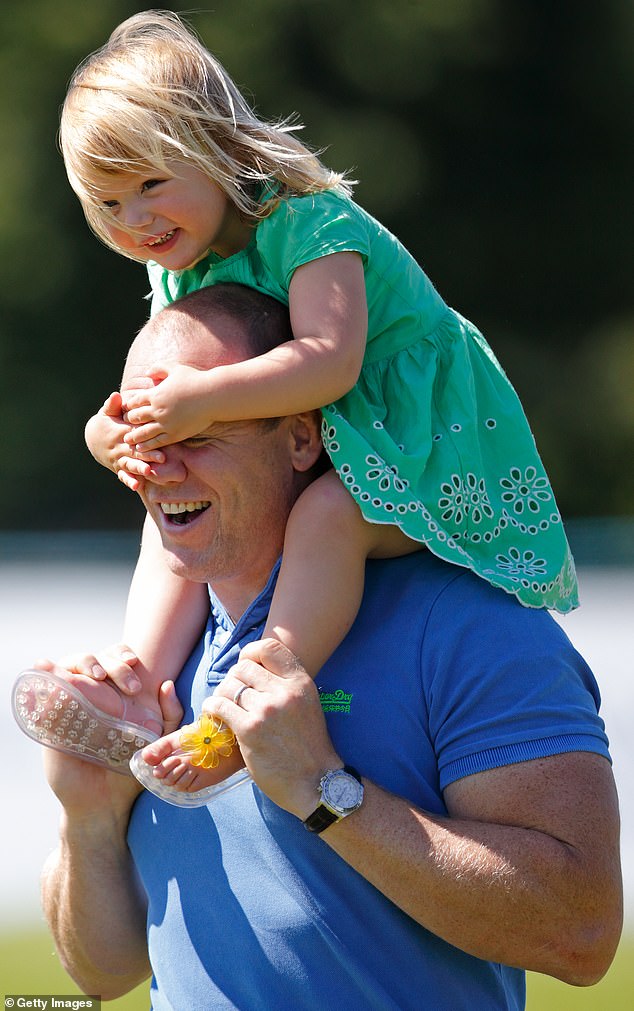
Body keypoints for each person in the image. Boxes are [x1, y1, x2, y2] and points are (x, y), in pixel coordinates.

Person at [39, 285, 621, 1009]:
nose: (160, 466)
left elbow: (581, 932)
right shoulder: (159, 648)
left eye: (199, 432)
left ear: (301, 437)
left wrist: (325, 792)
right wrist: (89, 818)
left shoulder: (466, 622)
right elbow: (100, 976)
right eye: (143, 437)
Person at [56, 10, 580, 794]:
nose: (133, 220)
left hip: (418, 445)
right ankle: (139, 686)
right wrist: (115, 437)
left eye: (150, 185)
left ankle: (257, 700)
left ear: (216, 147)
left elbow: (329, 363)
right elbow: (162, 387)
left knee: (328, 516)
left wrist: (200, 399)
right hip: (328, 439)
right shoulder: (180, 261)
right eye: (107, 203)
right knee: (168, 497)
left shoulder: (308, 219)